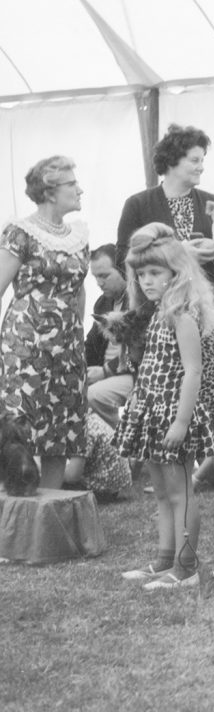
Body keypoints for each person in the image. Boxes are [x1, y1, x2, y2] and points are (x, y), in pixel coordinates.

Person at [117, 124, 214, 521]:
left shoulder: (213, 202)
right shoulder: (140, 203)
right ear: (171, 162)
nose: (200, 168)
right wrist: (180, 253)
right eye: (194, 160)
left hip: (213, 314)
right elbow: (127, 256)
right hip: (164, 316)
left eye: (202, 160)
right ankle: (176, 487)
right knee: (167, 400)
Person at [114, 223, 214, 591]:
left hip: (173, 412)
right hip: (151, 411)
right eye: (141, 274)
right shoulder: (156, 313)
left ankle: (186, 567)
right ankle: (164, 559)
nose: (146, 280)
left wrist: (181, 421)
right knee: (161, 491)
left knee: (181, 491)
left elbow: (193, 370)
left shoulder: (182, 315)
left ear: (176, 273)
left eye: (154, 272)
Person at [0, 155, 89, 489]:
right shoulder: (20, 232)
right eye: (72, 184)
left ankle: (51, 512)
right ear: (50, 191)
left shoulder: (79, 235)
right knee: (18, 426)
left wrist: (75, 338)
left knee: (61, 429)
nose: (80, 190)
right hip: (25, 343)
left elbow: (79, 291)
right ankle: (9, 514)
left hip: (67, 346)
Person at [84, 244, 140, 428]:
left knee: (93, 395)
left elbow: (140, 352)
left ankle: (121, 444)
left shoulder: (138, 301)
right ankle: (116, 444)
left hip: (135, 374)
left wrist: (104, 371)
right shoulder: (102, 303)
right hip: (108, 375)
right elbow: (91, 345)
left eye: (104, 275)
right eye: (95, 277)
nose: (99, 283)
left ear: (123, 269)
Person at [63, 412, 133, 500]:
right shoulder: (89, 418)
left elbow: (72, 476)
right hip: (115, 486)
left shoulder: (79, 428)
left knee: (49, 482)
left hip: (101, 488)